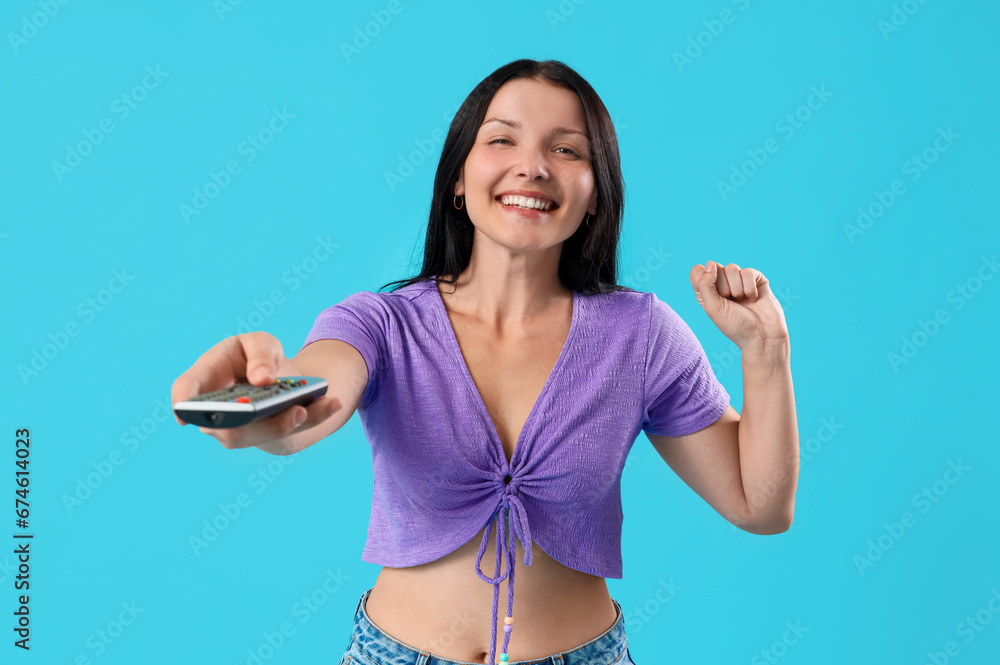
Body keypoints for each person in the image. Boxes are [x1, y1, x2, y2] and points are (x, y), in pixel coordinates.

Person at [172, 59, 798, 665]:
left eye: (567, 150)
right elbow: (311, 401)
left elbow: (760, 505)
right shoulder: (380, 323)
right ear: (458, 179)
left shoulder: (643, 334)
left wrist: (766, 351)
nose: (532, 167)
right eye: (502, 140)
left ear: (597, 196)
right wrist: (259, 405)